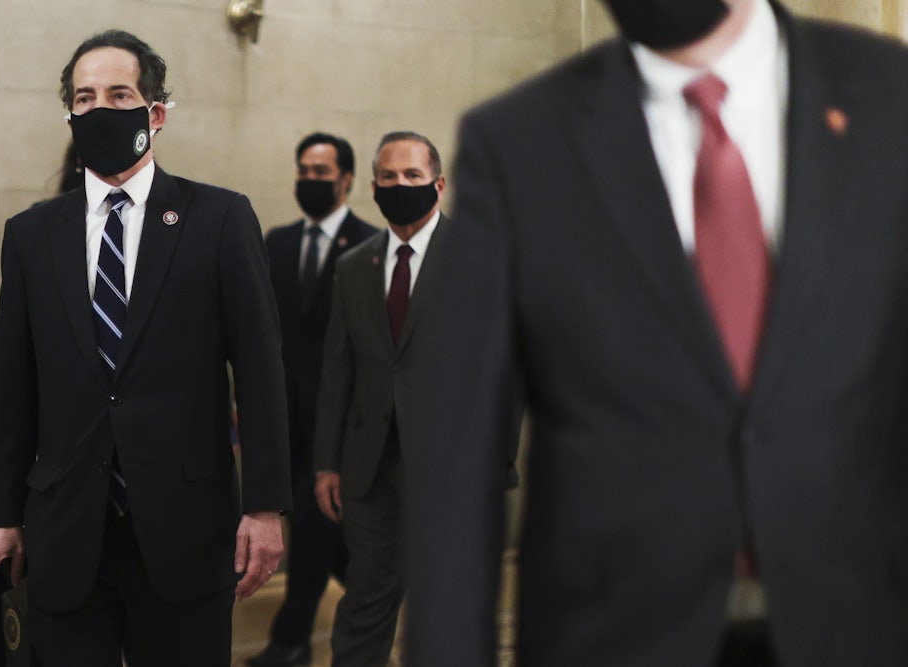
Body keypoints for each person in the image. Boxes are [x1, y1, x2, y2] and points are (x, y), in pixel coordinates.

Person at [403, 0, 908, 665]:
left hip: (861, 627)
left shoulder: (888, 95)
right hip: (614, 635)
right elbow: (457, 466)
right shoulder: (518, 143)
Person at [0, 29, 291, 666]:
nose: (101, 109)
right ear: (69, 113)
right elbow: (17, 385)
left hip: (187, 529)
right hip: (66, 530)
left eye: (119, 94)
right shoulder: (32, 235)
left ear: (157, 112)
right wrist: (2, 514)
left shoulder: (221, 219)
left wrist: (264, 507)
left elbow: (260, 371)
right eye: (85, 97)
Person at [314, 131, 447, 666]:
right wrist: (327, 463)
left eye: (412, 176)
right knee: (366, 600)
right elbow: (336, 372)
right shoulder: (354, 267)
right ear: (371, 187)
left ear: (438, 184)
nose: (401, 185)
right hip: (370, 469)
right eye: (389, 177)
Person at [247, 133, 377, 667]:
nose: (310, 180)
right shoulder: (276, 242)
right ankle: (384, 593)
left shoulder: (372, 245)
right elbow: (260, 333)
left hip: (340, 423)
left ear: (346, 179)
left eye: (321, 172)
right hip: (283, 419)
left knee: (313, 531)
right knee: (333, 540)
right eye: (304, 170)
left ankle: (290, 642)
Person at [0, 142, 82, 434]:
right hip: (59, 391)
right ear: (76, 162)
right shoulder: (41, 224)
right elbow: (14, 317)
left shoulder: (158, 220)